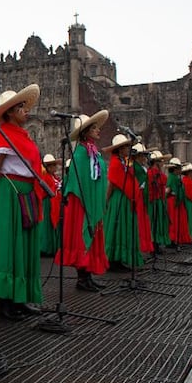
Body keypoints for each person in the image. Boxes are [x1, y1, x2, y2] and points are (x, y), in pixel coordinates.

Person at [0, 84, 45, 320]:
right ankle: (5, 303)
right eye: (21, 108)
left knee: (23, 247)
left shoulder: (22, 136)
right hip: (10, 193)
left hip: (25, 192)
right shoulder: (2, 134)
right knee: (8, 245)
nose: (26, 112)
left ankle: (20, 298)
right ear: (10, 112)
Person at [55, 111, 110, 291]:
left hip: (93, 201)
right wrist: (87, 203)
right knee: (83, 236)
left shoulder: (93, 152)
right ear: (85, 132)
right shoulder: (80, 154)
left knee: (93, 236)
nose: (98, 131)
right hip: (82, 204)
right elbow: (76, 182)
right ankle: (82, 277)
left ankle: (88, 276)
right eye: (94, 128)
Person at [103, 134, 145, 271]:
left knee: (124, 227)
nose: (128, 149)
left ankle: (121, 258)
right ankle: (114, 259)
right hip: (119, 199)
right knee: (117, 227)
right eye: (126, 146)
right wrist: (107, 201)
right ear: (120, 149)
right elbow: (112, 184)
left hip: (126, 199)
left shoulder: (125, 161)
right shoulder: (115, 163)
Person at [147, 151, 172, 251]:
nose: (162, 163)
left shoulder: (161, 175)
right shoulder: (150, 173)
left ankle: (158, 243)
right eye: (161, 161)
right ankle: (153, 244)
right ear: (155, 162)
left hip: (160, 202)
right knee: (154, 223)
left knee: (160, 223)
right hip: (153, 202)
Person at [38, 153, 62, 257]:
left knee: (52, 225)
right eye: (52, 165)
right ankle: (44, 247)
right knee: (46, 224)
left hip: (54, 202)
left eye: (54, 165)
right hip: (47, 202)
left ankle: (52, 247)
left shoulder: (53, 177)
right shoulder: (46, 177)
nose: (55, 167)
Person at [166, 158, 191, 246]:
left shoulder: (176, 178)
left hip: (177, 202)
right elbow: (168, 190)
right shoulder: (172, 177)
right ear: (174, 169)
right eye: (179, 168)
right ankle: (172, 239)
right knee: (173, 221)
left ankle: (176, 238)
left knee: (177, 221)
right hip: (172, 201)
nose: (180, 170)